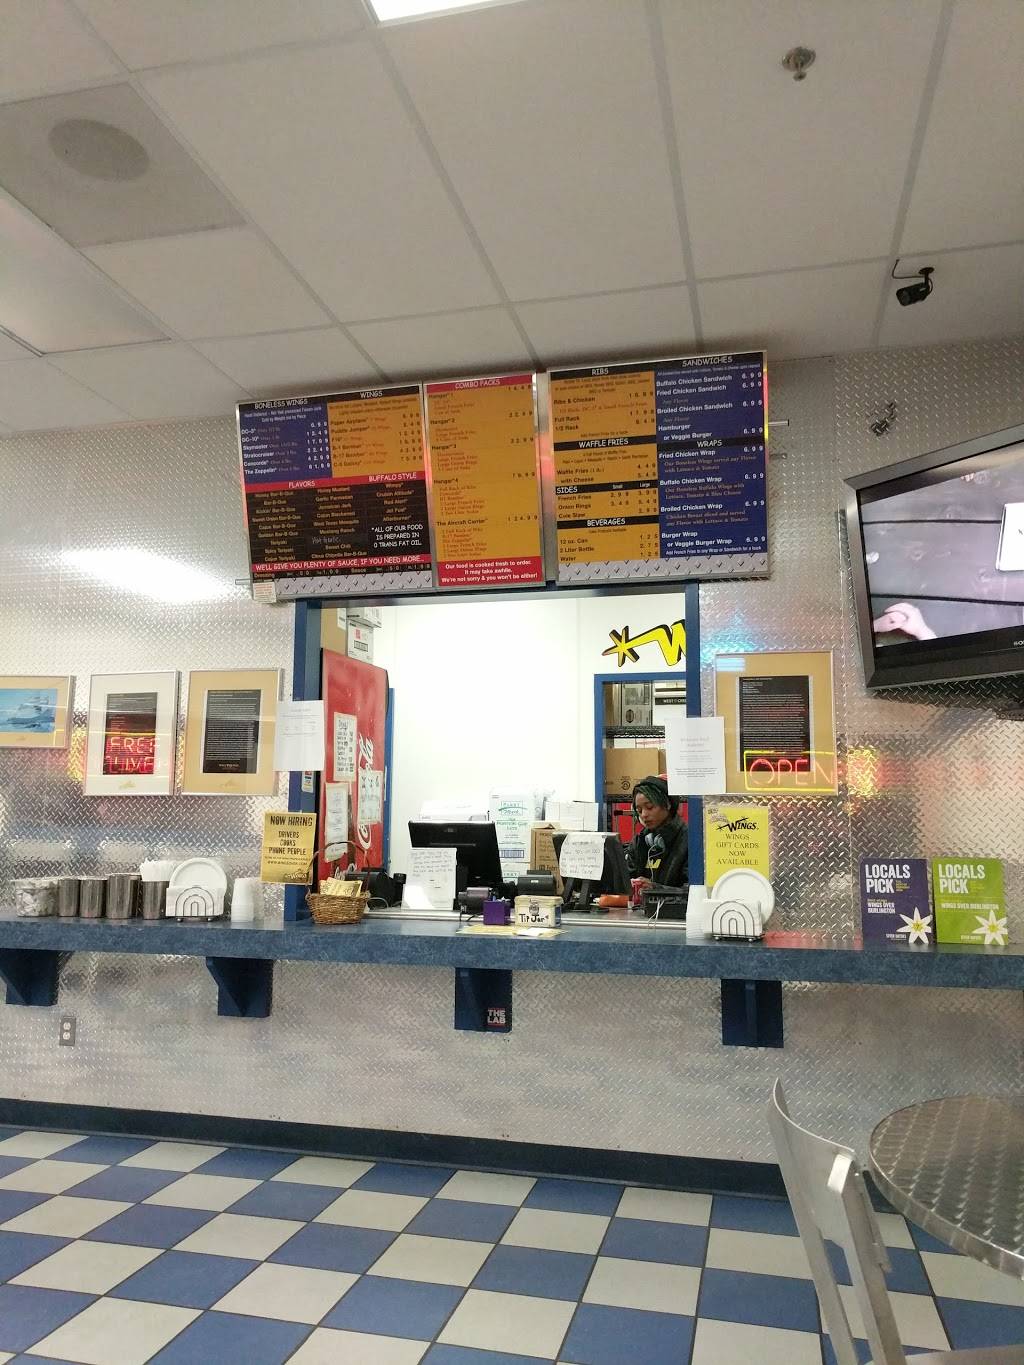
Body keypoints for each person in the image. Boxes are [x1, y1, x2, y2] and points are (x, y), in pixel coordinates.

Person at [625, 775, 688, 894]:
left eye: (650, 807)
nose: (644, 815)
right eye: (639, 810)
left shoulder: (689, 841)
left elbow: (693, 892)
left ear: (668, 804)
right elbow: (625, 880)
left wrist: (655, 889)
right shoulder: (639, 842)